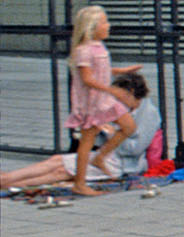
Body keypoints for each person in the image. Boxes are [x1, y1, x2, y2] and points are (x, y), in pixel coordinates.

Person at [3, 70, 160, 194]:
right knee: (57, 160)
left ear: (131, 92)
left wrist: (111, 133)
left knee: (61, 171)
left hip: (123, 165)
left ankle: (9, 182)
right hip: (108, 156)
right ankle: (8, 179)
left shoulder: (149, 113)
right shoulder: (129, 108)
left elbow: (135, 149)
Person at [63, 5, 141, 197]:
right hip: (92, 103)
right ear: (91, 27)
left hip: (104, 100)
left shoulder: (99, 47)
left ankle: (100, 157)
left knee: (129, 126)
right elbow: (88, 78)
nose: (108, 25)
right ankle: (79, 183)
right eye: (104, 22)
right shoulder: (84, 50)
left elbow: (102, 71)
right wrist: (113, 90)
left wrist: (122, 71)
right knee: (87, 140)